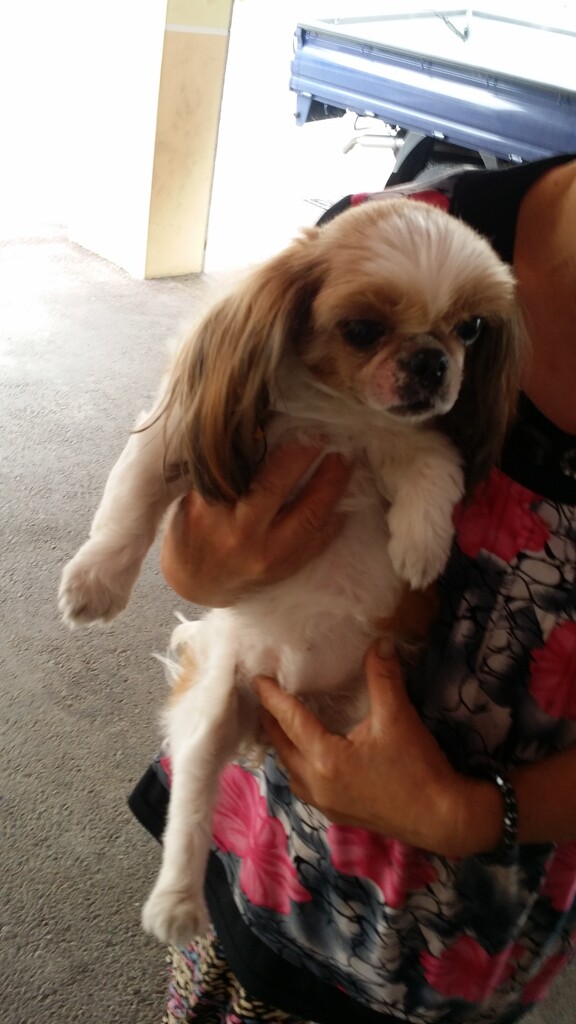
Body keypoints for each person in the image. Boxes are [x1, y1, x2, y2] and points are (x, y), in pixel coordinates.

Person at [130, 153, 576, 1024]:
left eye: (467, 333)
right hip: (266, 837)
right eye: (368, 329)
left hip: (476, 910)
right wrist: (200, 564)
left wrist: (470, 816)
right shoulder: (392, 226)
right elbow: (190, 488)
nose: (433, 358)